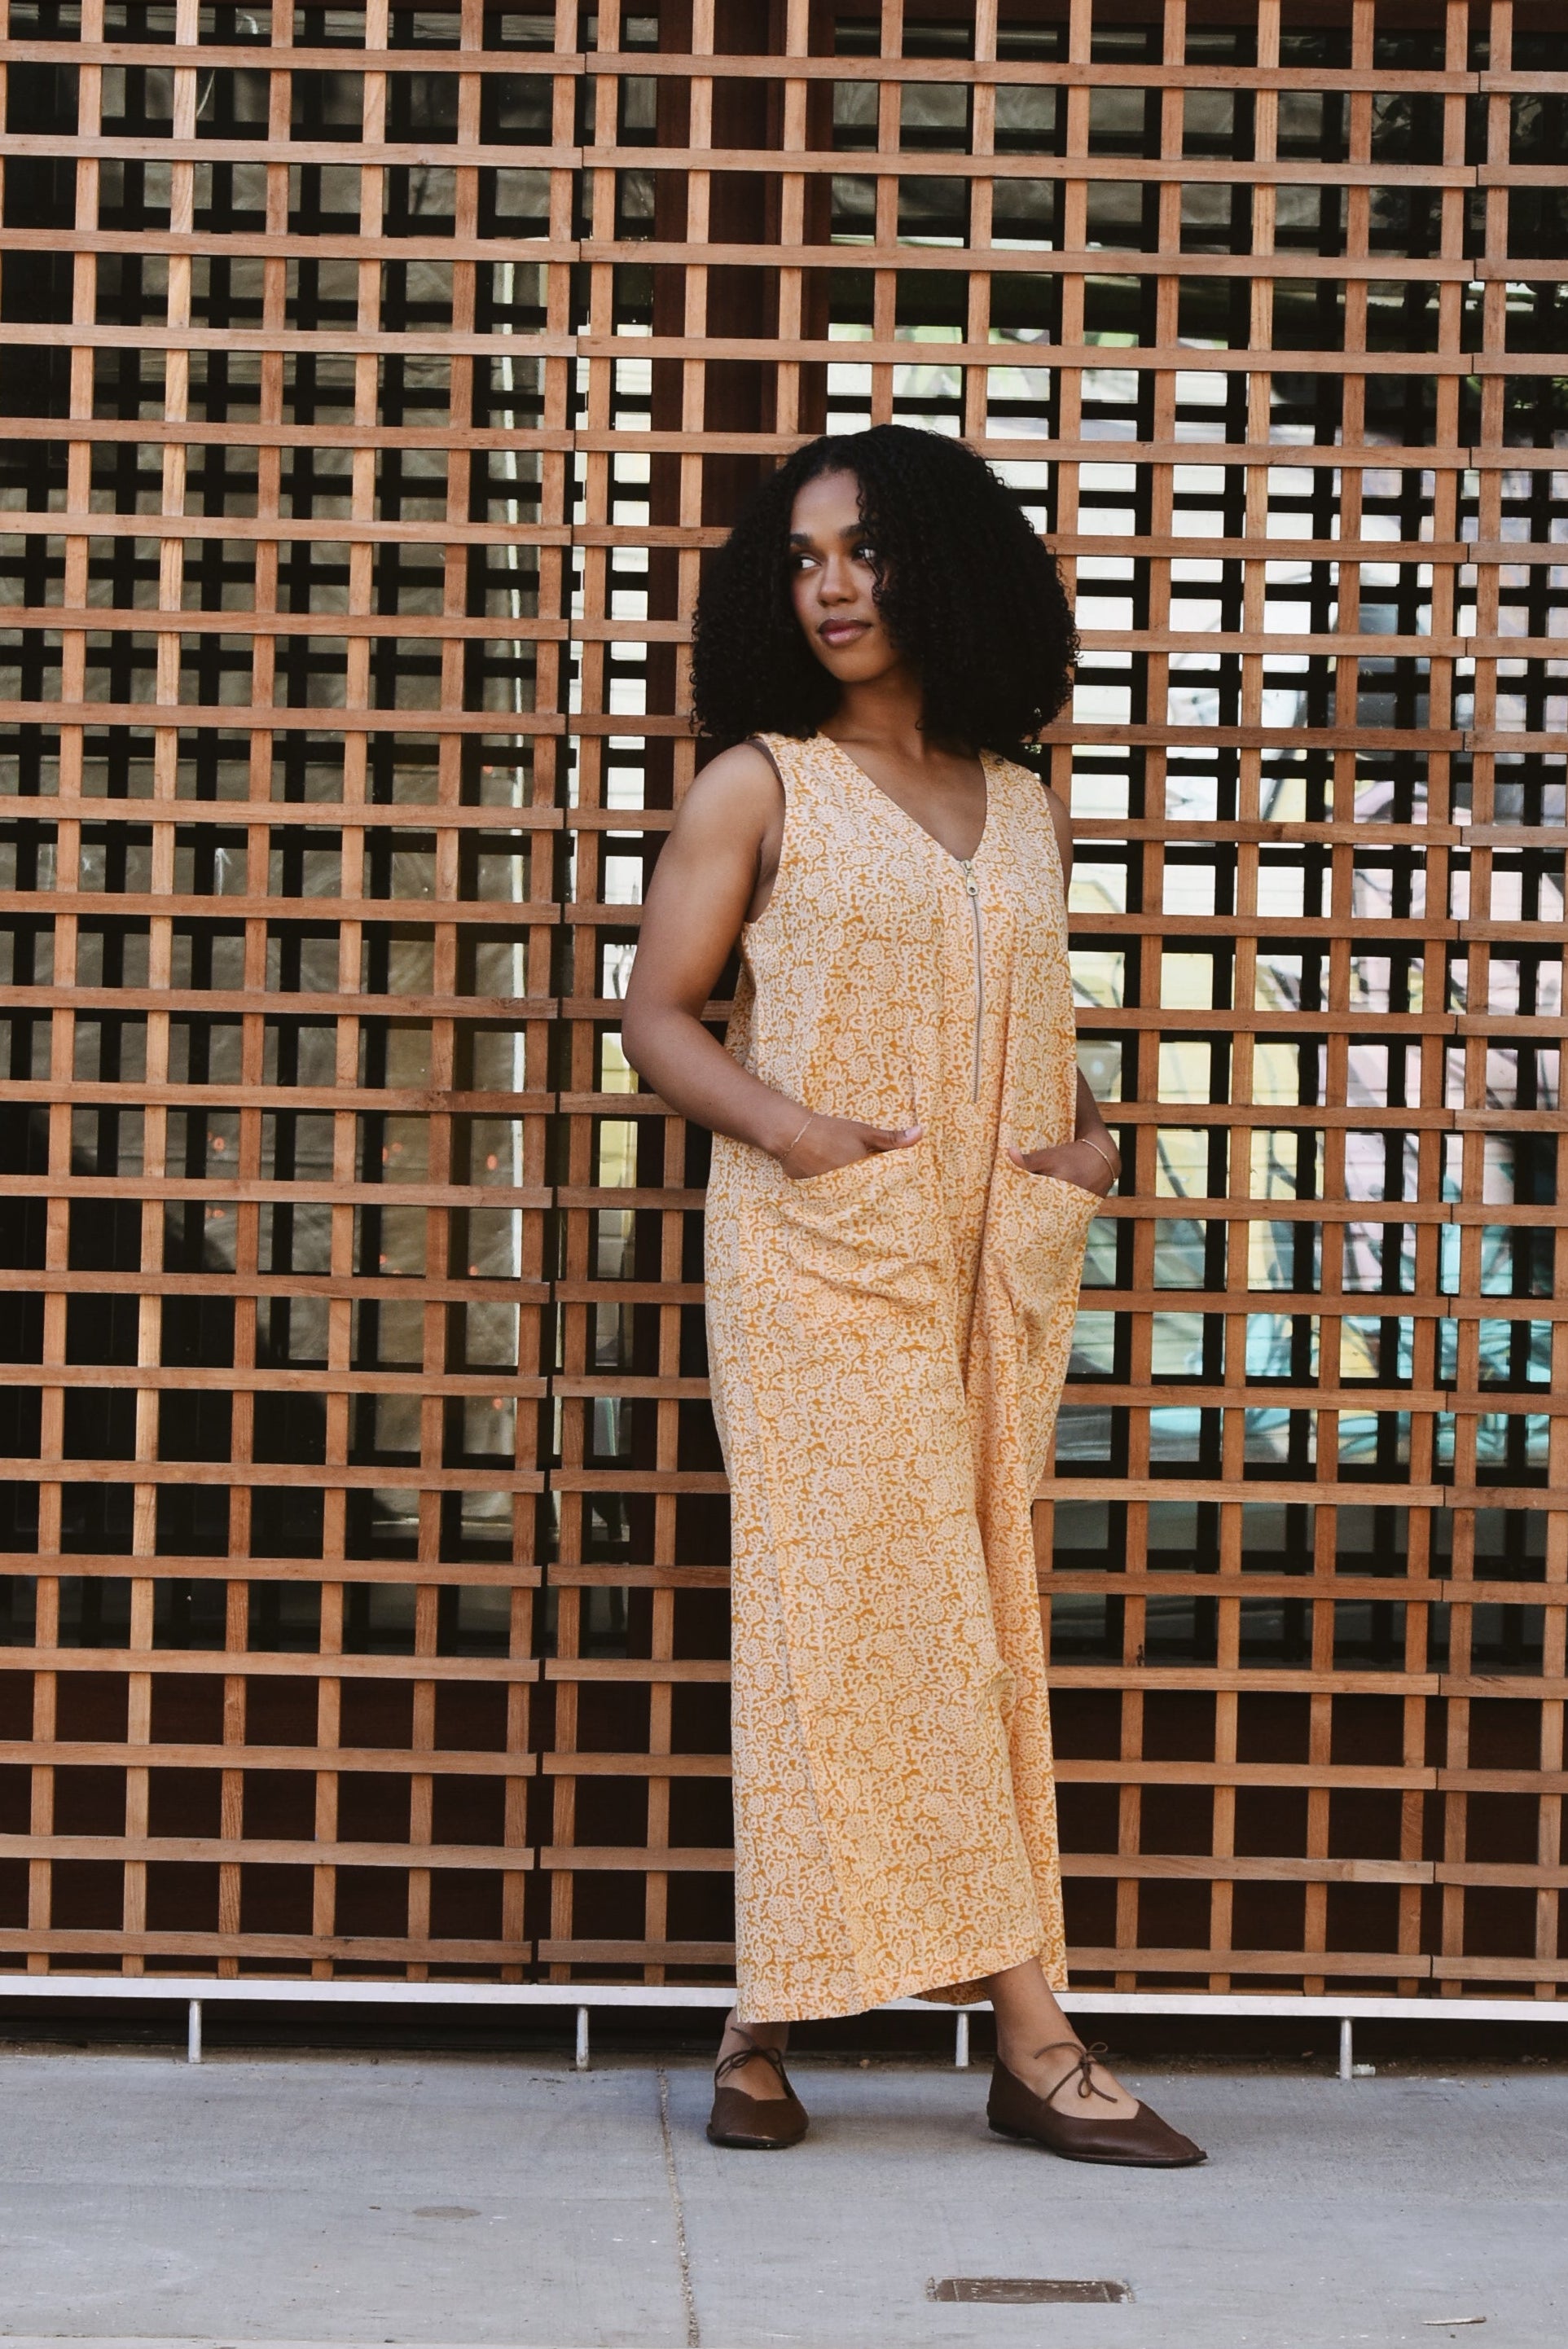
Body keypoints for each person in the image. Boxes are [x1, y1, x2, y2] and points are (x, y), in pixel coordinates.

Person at [622, 424, 1204, 2168]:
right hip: (820, 1263)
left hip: (990, 1278)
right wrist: (799, 1133)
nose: (833, 586)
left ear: (943, 560)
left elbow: (1029, 1008)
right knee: (901, 1621)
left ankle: (758, 2022)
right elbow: (658, 1012)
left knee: (937, 1629)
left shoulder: (1020, 796)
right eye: (800, 560)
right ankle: (1039, 2039)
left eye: (863, 548)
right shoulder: (761, 782)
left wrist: (1088, 1146)